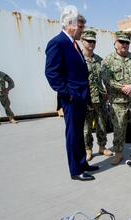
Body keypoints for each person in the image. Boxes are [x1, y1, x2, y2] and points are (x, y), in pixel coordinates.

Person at [45, 8, 98, 181]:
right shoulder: (58, 43)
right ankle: (76, 170)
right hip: (72, 98)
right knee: (73, 134)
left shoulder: (73, 44)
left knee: (79, 133)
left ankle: (83, 163)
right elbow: (52, 73)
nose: (82, 31)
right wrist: (68, 94)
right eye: (81, 27)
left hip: (80, 97)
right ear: (70, 26)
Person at [102, 31, 131, 165]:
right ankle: (118, 153)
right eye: (122, 42)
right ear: (115, 44)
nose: (125, 44)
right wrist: (123, 88)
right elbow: (107, 79)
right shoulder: (108, 61)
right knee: (119, 128)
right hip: (118, 102)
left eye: (127, 42)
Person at [81, 30, 113, 161]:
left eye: (93, 41)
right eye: (89, 41)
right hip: (86, 98)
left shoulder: (99, 60)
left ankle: (102, 146)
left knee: (101, 123)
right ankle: (88, 149)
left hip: (100, 97)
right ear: (82, 41)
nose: (91, 43)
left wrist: (107, 92)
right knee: (86, 127)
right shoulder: (79, 59)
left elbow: (105, 78)